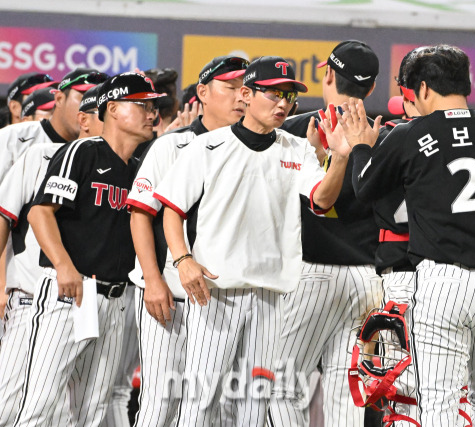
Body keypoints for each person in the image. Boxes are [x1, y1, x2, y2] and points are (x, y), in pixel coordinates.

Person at [342, 44, 475, 426]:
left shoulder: (410, 134)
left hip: (442, 282)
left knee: (439, 402)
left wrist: (361, 145)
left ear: (423, 89)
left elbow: (363, 187)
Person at [154, 56, 354, 426]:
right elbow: (171, 210)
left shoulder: (298, 149)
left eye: (289, 97)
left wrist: (340, 158)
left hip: (269, 295)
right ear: (246, 94)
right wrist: (182, 260)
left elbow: (323, 199)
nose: (283, 104)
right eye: (274, 94)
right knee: (201, 401)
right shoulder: (206, 146)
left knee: (253, 407)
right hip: (214, 291)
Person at [0, 68, 105, 427]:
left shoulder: (102, 157)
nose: (91, 108)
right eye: (83, 97)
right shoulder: (18, 143)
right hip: (12, 298)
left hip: (81, 299)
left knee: (71, 405)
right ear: (60, 99)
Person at [13, 72, 162, 426]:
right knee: (40, 404)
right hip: (72, 291)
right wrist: (64, 266)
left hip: (116, 299)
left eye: (153, 106)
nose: (151, 113)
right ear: (112, 108)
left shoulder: (141, 168)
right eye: (141, 105)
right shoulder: (82, 151)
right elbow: (39, 211)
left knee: (93, 410)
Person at [127, 54, 247, 426]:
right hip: (171, 294)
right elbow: (140, 215)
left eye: (246, 89)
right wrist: (153, 281)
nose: (241, 97)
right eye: (230, 88)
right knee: (160, 403)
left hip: (224, 300)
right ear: (203, 93)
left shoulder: (253, 148)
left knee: (219, 408)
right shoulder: (171, 145)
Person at [270, 40, 383, 426]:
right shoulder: (383, 136)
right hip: (368, 279)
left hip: (310, 271)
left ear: (328, 74)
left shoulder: (296, 130)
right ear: (369, 89)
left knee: (280, 387)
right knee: (346, 389)